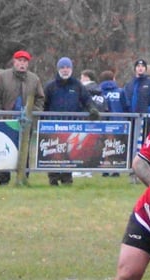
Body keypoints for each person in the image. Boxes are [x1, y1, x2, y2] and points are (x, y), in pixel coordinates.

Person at [0, 49, 45, 185]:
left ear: (28, 64)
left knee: (24, 151)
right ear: (14, 62)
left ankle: (23, 178)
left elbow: (40, 98)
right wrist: (0, 112)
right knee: (5, 149)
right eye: (19, 61)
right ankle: (3, 179)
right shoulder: (3, 77)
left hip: (26, 122)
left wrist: (33, 113)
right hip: (7, 120)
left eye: (25, 61)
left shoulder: (34, 79)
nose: (22, 64)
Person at [43, 57, 100, 186]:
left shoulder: (77, 85)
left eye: (67, 67)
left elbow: (87, 99)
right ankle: (53, 178)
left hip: (71, 126)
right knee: (54, 153)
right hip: (54, 126)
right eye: (62, 67)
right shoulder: (50, 86)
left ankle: (67, 178)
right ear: (58, 69)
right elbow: (44, 104)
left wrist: (92, 109)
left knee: (68, 153)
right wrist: (44, 121)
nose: (65, 70)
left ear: (71, 69)